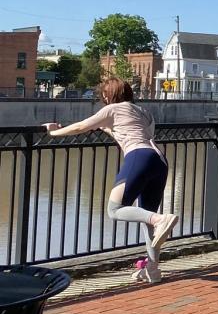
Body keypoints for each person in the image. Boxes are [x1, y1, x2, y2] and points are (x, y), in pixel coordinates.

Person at [43, 77, 179, 284]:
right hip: (159, 160)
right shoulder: (143, 112)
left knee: (115, 210)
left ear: (110, 94)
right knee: (146, 218)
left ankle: (162, 219)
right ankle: (152, 269)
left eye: (103, 94)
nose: (103, 98)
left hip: (139, 157)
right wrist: (107, 128)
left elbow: (80, 126)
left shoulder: (112, 109)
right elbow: (134, 132)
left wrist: (53, 132)